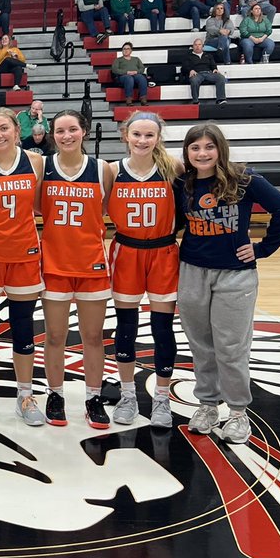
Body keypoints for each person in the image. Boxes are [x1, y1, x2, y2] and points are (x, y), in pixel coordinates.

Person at [178, 123, 280, 444]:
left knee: (231, 348)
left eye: (209, 147)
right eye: (195, 148)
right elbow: (174, 222)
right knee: (201, 345)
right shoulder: (183, 183)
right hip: (191, 272)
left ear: (220, 149)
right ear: (187, 153)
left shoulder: (244, 179)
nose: (202, 153)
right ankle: (207, 405)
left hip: (235, 274)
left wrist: (263, 248)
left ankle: (238, 412)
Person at [106, 112, 183, 430]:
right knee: (126, 326)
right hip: (126, 251)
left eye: (149, 135)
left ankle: (162, 398)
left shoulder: (173, 168)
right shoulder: (112, 171)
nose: (142, 140)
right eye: (136, 134)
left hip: (164, 251)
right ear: (126, 135)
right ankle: (128, 395)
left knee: (162, 328)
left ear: (158, 138)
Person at [39, 110, 112, 430]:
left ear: (84, 131)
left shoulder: (102, 170)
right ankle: (55, 395)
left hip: (91, 263)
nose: (66, 136)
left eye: (72, 129)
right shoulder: (44, 168)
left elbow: (105, 210)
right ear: (51, 134)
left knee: (93, 336)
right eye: (59, 131)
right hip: (54, 263)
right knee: (55, 336)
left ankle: (93, 398)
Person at [0, 109, 45, 426]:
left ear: (17, 130)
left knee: (24, 328)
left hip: (25, 254)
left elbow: (41, 206)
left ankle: (25, 395)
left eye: (4, 128)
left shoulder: (36, 161)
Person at [184, 38, 228, 104]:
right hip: (197, 73)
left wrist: (215, 69)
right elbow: (184, 67)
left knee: (221, 78)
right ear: (193, 46)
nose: (197, 46)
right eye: (195, 45)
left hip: (208, 73)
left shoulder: (208, 55)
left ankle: (221, 99)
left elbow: (213, 65)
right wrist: (190, 70)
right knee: (194, 80)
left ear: (203, 46)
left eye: (199, 44)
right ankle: (195, 101)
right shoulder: (188, 56)